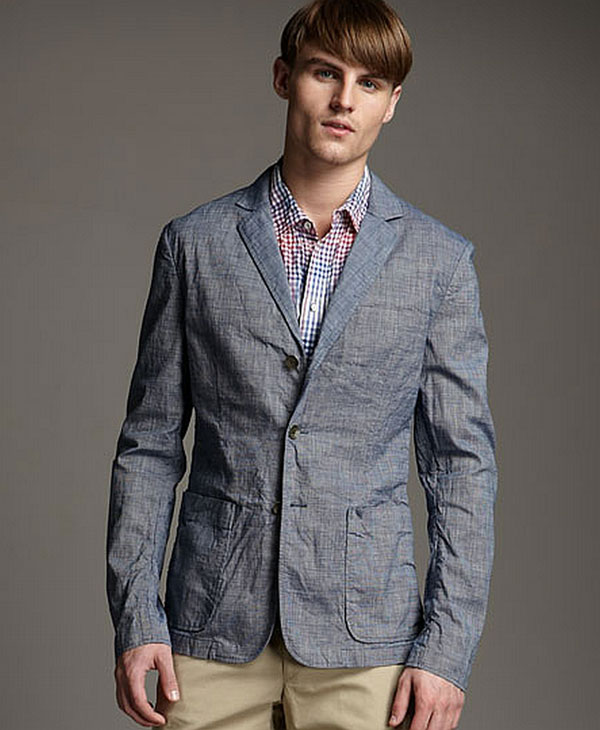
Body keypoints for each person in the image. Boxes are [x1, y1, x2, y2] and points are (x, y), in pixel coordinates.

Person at [105, 1, 498, 728]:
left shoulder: (438, 262)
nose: (345, 99)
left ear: (392, 102)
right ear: (284, 78)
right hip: (209, 627)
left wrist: (446, 650)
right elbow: (150, 445)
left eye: (370, 83)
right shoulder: (195, 244)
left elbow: (460, 466)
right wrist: (137, 618)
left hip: (368, 640)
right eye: (325, 73)